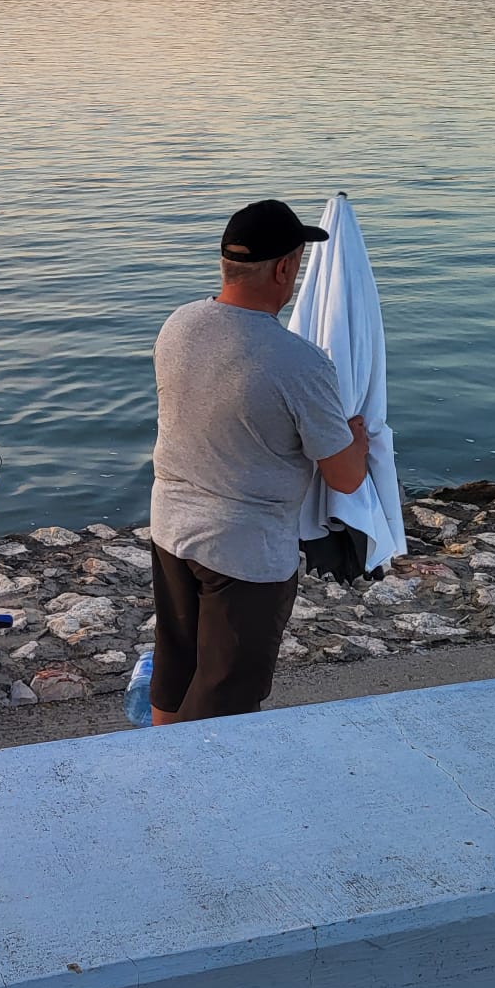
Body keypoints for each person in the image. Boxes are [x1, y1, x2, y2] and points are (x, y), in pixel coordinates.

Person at [147, 199, 370, 724]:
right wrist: (358, 440)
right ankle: (199, 794)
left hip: (170, 526)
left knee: (177, 664)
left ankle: (156, 775)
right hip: (243, 551)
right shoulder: (299, 362)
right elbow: (345, 477)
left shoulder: (178, 325)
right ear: (284, 268)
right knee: (226, 699)